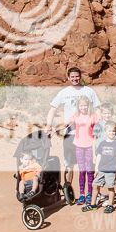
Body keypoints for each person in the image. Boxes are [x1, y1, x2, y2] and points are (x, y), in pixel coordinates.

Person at [45, 67, 101, 196]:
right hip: (70, 134)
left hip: (88, 134)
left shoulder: (89, 91)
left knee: (89, 165)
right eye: (72, 77)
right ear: (68, 77)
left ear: (80, 76)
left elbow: (98, 109)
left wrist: (98, 125)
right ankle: (68, 190)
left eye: (77, 76)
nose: (75, 79)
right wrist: (49, 125)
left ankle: (92, 193)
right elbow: (53, 109)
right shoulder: (64, 92)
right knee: (69, 164)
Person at [83, 122, 116, 214]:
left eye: (113, 131)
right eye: (110, 131)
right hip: (101, 169)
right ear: (105, 132)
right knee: (95, 185)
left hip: (111, 170)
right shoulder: (102, 143)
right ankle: (93, 205)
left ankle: (110, 205)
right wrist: (96, 168)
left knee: (110, 187)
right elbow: (99, 156)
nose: (112, 133)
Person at [65, 96, 97, 205]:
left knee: (89, 171)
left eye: (85, 105)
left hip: (89, 146)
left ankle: (90, 194)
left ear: (88, 106)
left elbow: (100, 127)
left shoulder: (93, 117)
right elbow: (66, 124)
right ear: (78, 106)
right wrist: (54, 128)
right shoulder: (76, 116)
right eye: (81, 105)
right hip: (78, 146)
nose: (83, 107)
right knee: (82, 171)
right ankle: (82, 194)